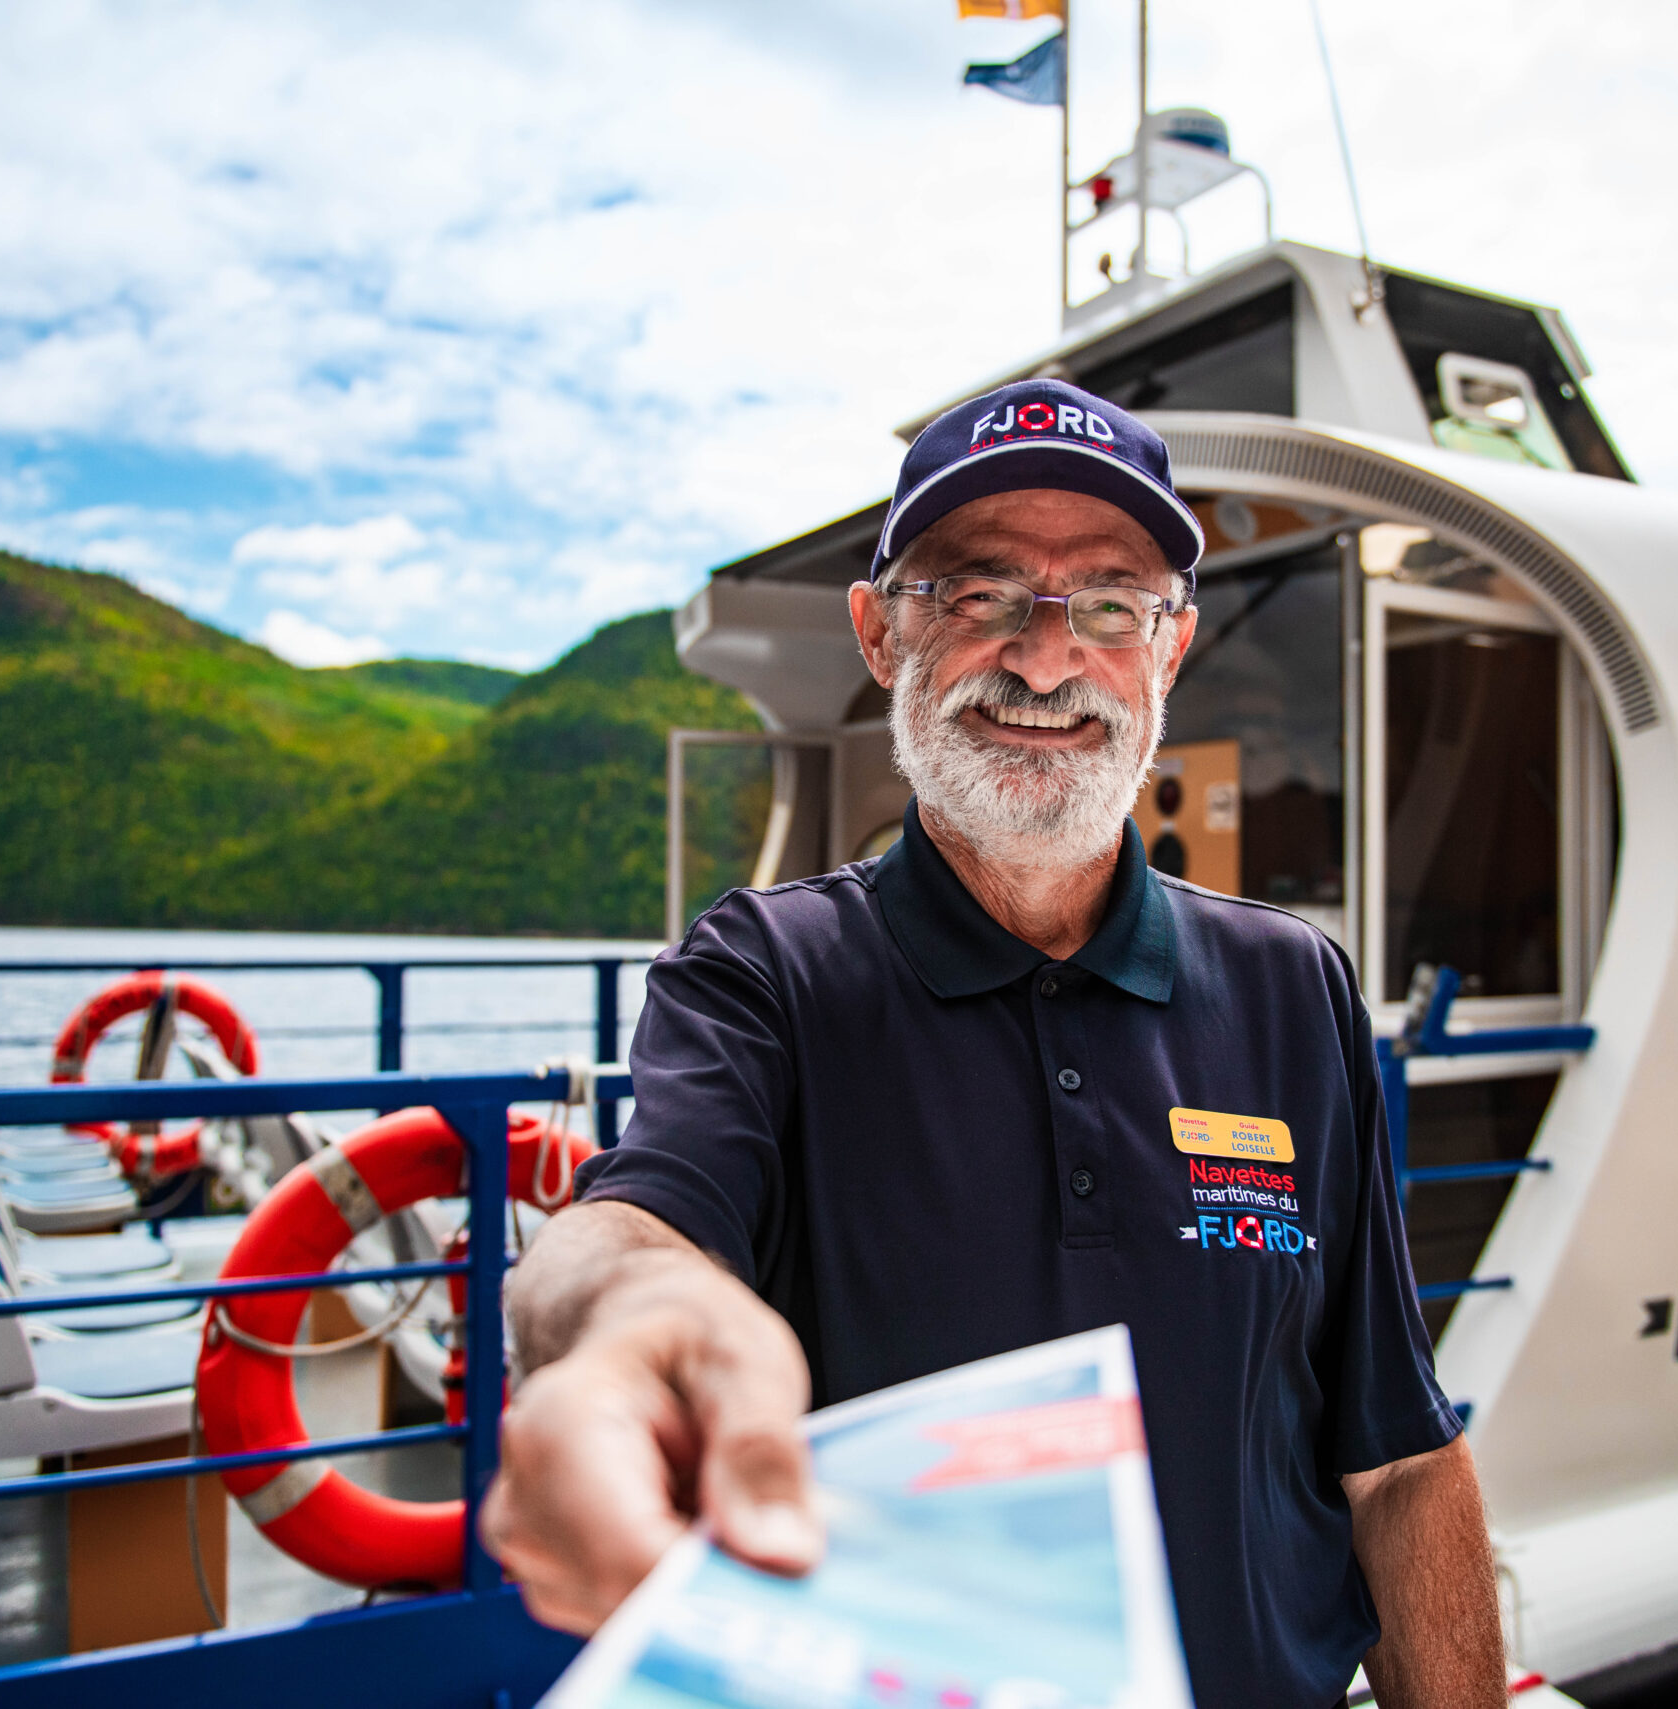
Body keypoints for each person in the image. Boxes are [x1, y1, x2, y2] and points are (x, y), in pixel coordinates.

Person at [483, 378, 1506, 1708]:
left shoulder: (1292, 988)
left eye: (1107, 605)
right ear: (877, 630)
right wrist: (631, 1327)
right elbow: (641, 1225)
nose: (1042, 658)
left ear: (1170, 646)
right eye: (978, 595)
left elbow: (1401, 1461)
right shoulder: (765, 976)